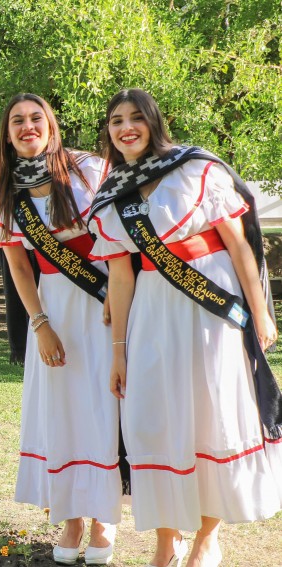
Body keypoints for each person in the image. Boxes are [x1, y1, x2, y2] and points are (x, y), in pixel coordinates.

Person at [88, 88, 282, 567]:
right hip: (153, 312)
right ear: (108, 131)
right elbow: (120, 275)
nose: (126, 127)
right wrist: (118, 351)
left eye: (136, 117)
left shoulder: (197, 169)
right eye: (116, 120)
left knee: (213, 412)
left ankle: (207, 539)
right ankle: (165, 540)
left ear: (154, 121)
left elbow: (239, 247)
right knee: (155, 422)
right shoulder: (112, 193)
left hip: (211, 308)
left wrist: (259, 313)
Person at [0, 93, 121, 565]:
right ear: (8, 133)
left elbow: (123, 237)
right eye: (17, 120)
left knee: (105, 406)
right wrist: (39, 325)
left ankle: (104, 520)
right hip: (54, 307)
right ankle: (71, 518)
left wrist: (119, 300)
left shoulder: (89, 170)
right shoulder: (3, 190)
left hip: (104, 303)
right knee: (63, 410)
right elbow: (19, 266)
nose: (27, 126)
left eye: (36, 118)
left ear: (52, 125)